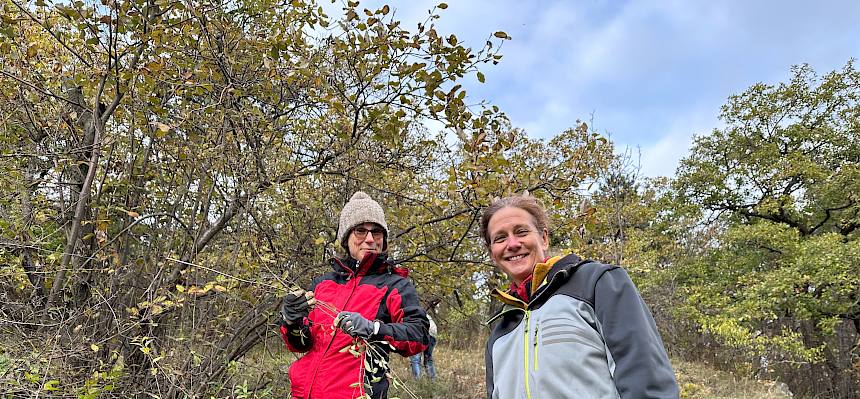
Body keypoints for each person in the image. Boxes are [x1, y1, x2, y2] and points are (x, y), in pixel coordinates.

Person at [480, 194, 679, 399]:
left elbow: (647, 379)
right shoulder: (499, 331)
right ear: (492, 252)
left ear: (544, 238)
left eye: (521, 232)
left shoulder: (597, 283)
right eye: (500, 238)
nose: (512, 244)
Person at [279, 191, 430, 399]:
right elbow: (301, 344)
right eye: (360, 231)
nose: (369, 239)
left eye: (377, 232)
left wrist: (373, 328)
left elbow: (419, 335)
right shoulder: (323, 284)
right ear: (346, 237)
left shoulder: (395, 285)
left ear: (383, 240)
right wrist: (291, 322)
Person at [410, 313, 437, 380]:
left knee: (415, 359)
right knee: (428, 358)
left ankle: (418, 381)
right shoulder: (421, 312)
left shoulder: (410, 312)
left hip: (422, 332)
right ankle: (432, 380)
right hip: (433, 333)